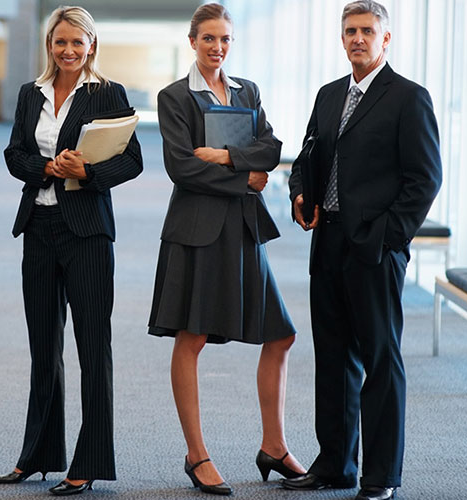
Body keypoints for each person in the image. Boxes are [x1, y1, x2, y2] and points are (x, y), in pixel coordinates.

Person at [284, 2, 441, 500]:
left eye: (367, 31)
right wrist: (299, 193)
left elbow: (424, 180)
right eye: (350, 30)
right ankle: (335, 465)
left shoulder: (408, 98)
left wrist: (388, 238)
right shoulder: (330, 95)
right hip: (327, 243)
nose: (357, 38)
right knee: (332, 359)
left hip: (374, 250)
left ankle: (379, 476)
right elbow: (307, 155)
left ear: (385, 38)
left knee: (380, 360)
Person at [147, 3, 306, 496]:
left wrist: (226, 155)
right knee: (191, 339)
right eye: (209, 38)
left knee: (280, 335)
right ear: (192, 41)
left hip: (242, 232)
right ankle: (197, 456)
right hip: (196, 231)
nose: (218, 47)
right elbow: (181, 168)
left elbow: (272, 147)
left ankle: (273, 446)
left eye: (225, 39)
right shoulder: (175, 97)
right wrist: (246, 177)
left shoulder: (247, 91)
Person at [0, 6, 142, 496]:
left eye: (78, 43)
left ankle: (89, 461)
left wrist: (84, 172)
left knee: (92, 347)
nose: (69, 51)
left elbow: (132, 160)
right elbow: (14, 153)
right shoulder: (28, 93)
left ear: (92, 45)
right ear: (49, 45)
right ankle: (37, 455)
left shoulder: (107, 93)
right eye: (60, 43)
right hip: (38, 224)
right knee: (44, 347)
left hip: (88, 232)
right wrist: (45, 169)